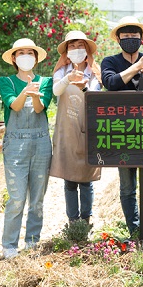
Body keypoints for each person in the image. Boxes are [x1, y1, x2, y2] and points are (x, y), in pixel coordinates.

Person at [101, 16, 143, 236]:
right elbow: (110, 84)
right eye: (126, 36)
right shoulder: (110, 62)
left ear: (142, 39)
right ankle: (134, 230)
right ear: (118, 39)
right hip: (123, 132)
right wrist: (136, 67)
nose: (130, 39)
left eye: (134, 36)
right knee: (127, 186)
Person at [0, 38, 53, 259]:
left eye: (30, 53)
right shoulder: (6, 82)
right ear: (13, 58)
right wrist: (27, 92)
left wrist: (36, 95)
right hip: (16, 144)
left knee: (37, 199)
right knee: (17, 197)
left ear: (36, 58)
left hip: (40, 142)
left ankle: (32, 242)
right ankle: (9, 245)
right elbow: (15, 105)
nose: (26, 56)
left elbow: (40, 109)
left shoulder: (46, 81)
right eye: (21, 53)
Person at [50, 30, 102, 224]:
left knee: (86, 179)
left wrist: (84, 87)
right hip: (67, 131)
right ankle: (73, 221)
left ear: (87, 50)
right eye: (72, 46)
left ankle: (86, 220)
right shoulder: (61, 72)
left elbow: (95, 98)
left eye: (80, 45)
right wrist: (68, 79)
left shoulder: (93, 73)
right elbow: (57, 90)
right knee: (70, 179)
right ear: (66, 51)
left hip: (88, 129)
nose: (76, 49)